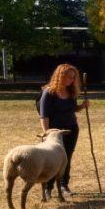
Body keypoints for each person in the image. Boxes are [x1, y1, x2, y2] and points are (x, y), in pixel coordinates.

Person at [38, 64, 88, 196]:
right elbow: (44, 115)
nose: (71, 80)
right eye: (68, 76)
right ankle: (48, 188)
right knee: (52, 159)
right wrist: (47, 133)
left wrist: (82, 106)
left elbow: (72, 109)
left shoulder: (71, 92)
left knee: (66, 158)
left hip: (71, 129)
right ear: (60, 76)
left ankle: (64, 185)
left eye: (73, 77)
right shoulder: (49, 93)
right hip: (54, 133)